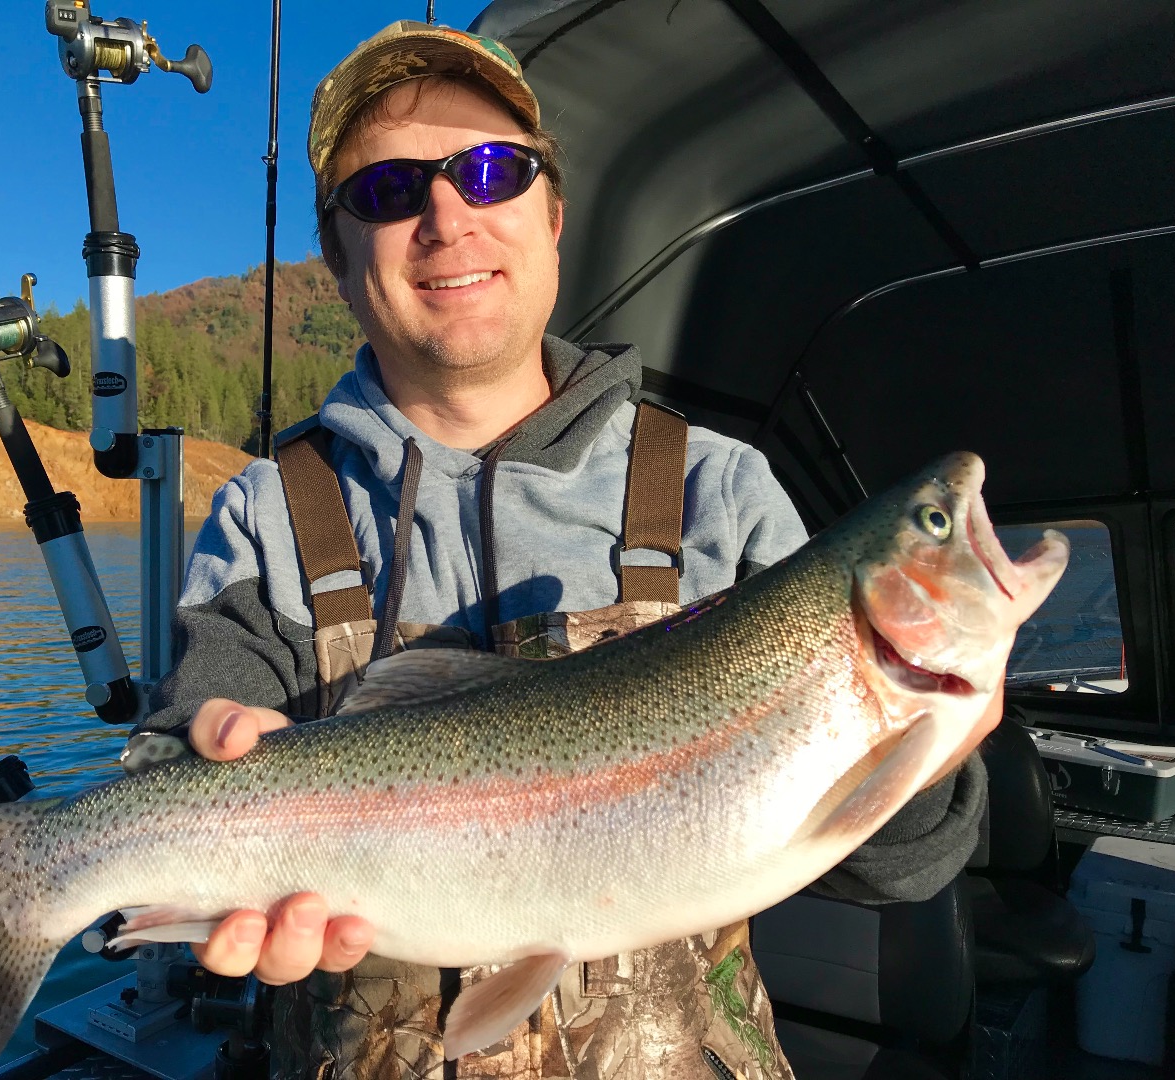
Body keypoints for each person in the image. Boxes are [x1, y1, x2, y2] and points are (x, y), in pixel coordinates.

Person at [123, 21, 989, 1080]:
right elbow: (190, 736)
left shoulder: (721, 490)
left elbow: (897, 870)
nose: (447, 216)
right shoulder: (266, 511)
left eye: (491, 171)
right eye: (389, 193)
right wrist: (203, 747)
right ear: (340, 258)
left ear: (552, 213)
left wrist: (923, 756)